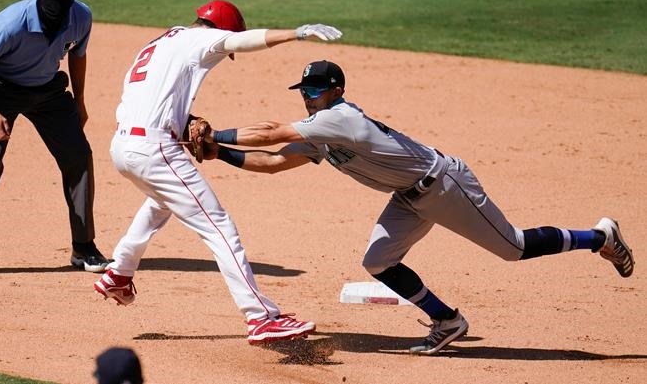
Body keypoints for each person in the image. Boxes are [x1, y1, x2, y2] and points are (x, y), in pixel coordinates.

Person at [205, 59, 635, 354]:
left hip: (445, 185)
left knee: (514, 248)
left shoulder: (339, 118)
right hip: (408, 198)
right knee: (378, 262)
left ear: (335, 91)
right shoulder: (320, 132)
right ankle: (447, 321)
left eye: (315, 89)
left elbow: (268, 135)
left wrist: (215, 131)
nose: (308, 96)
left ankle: (599, 237)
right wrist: (217, 153)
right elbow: (276, 162)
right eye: (304, 90)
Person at [94, 0, 342, 345]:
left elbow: (151, 101)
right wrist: (296, 33)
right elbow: (240, 41)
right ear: (221, 29)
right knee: (219, 227)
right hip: (154, 149)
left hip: (123, 146)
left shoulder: (159, 43)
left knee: (162, 201)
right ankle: (260, 318)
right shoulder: (200, 40)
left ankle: (119, 273)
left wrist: (183, 123)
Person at [0, 0, 108, 272]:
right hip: (1, 88)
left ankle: (84, 248)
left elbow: (78, 55)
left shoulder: (80, 16)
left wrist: (81, 101)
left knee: (78, 156)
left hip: (49, 91)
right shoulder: (11, 22)